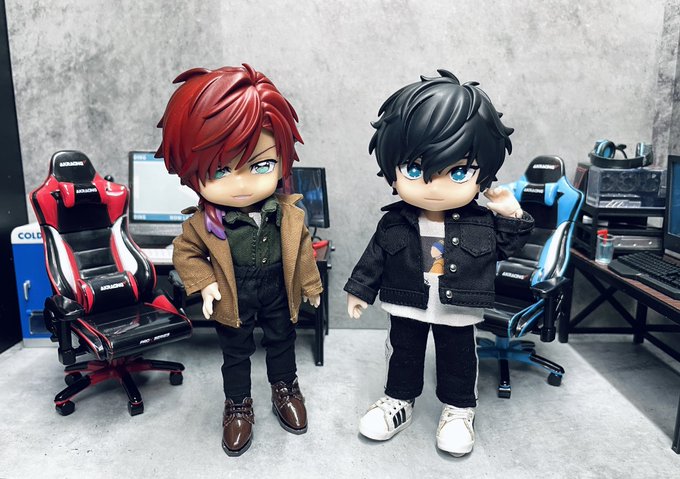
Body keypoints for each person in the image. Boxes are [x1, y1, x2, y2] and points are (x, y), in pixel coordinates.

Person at [344, 70, 534, 456]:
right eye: (414, 171)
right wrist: (359, 291)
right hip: (407, 301)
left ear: (483, 175)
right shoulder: (394, 222)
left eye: (459, 172)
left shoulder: (481, 222)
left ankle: (459, 409)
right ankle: (399, 400)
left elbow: (509, 247)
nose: (433, 186)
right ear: (392, 172)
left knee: (458, 360)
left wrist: (512, 215)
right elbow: (374, 257)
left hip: (458, 306)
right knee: (403, 353)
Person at [157, 64, 323, 457]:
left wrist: (311, 285)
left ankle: (285, 389)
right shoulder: (203, 224)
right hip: (233, 293)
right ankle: (237, 405)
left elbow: (301, 248)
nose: (242, 182)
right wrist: (205, 283)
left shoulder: (289, 215)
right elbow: (185, 251)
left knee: (282, 342)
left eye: (261, 164)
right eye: (220, 170)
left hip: (277, 289)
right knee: (235, 353)